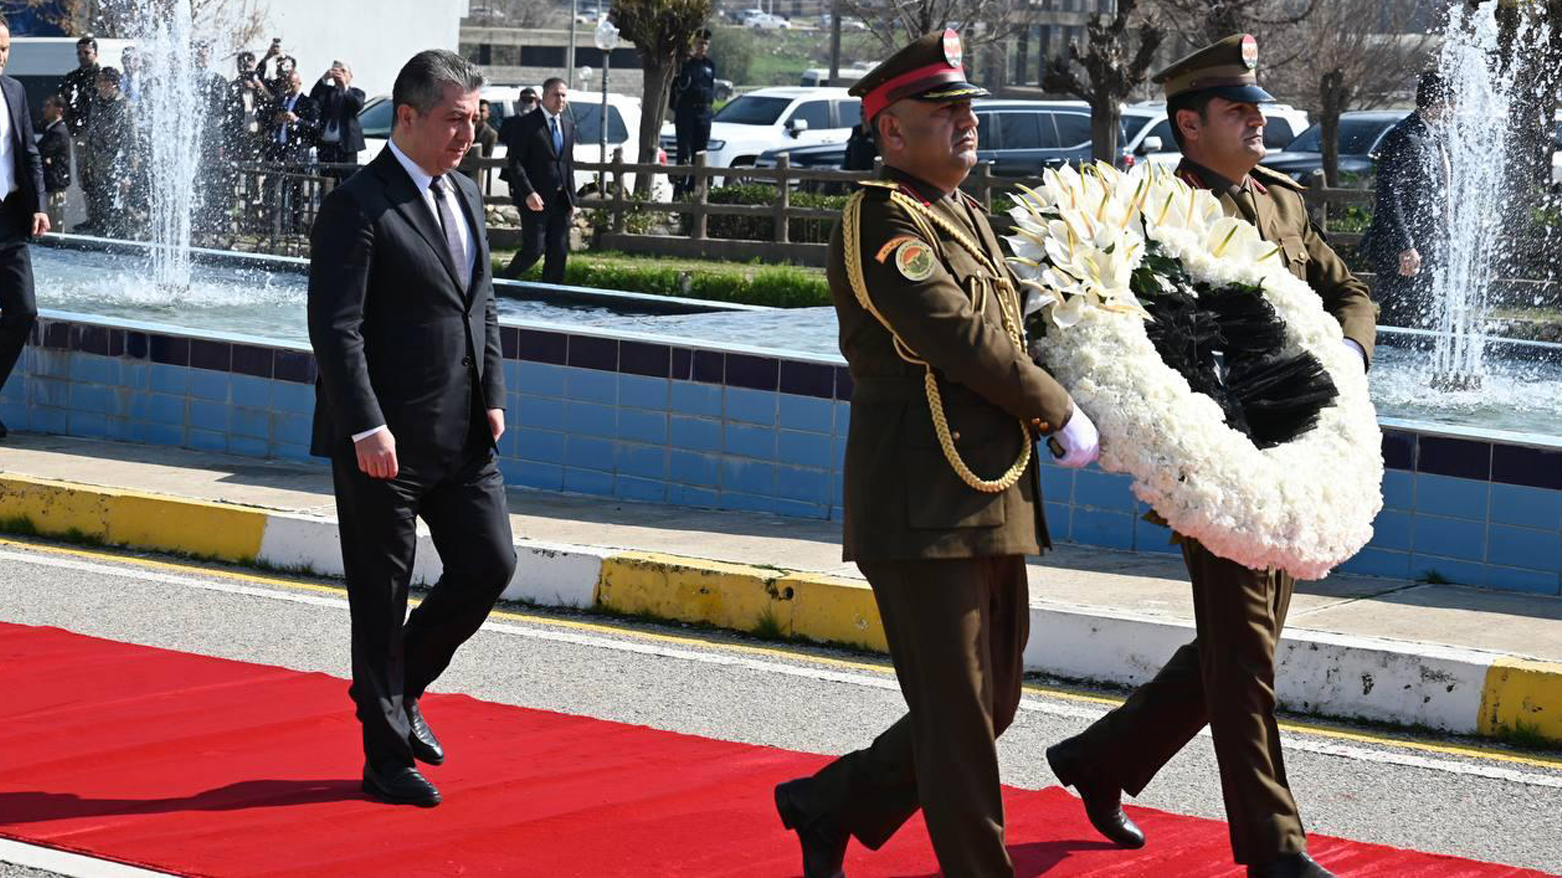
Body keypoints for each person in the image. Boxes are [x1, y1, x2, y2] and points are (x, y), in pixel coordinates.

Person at [1043, 34, 1376, 878]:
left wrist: (1348, 360)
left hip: (1299, 460)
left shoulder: (1281, 200)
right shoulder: (1156, 212)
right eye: (1238, 110)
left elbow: (1349, 291)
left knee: (1235, 647)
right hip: (1218, 465)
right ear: (1189, 125)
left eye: (1258, 107)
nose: (1258, 122)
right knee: (1245, 656)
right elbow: (1141, 335)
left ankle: (1100, 760)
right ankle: (1275, 850)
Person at [772, 30, 1099, 878]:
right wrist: (1055, 406)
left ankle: (828, 804)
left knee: (992, 703)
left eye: (968, 109)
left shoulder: (972, 217)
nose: (966, 122)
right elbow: (951, 335)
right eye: (942, 111)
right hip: (921, 499)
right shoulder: (883, 219)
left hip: (992, 491)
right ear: (891, 132)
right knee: (957, 715)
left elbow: (1021, 331)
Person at [307, 48, 514, 808]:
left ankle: (396, 689)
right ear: (407, 117)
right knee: (380, 594)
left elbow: (482, 304)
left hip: (463, 435)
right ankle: (386, 758)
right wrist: (364, 424)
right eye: (455, 120)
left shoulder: (462, 191)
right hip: (382, 444)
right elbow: (336, 329)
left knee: (489, 565)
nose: (469, 135)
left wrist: (492, 391)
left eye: (475, 120)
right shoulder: (359, 205)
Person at [1362, 71, 1451, 328]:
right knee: (1401, 319)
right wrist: (1405, 245)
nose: (1454, 112)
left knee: (1426, 316)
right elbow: (1389, 195)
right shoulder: (1404, 136)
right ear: (1437, 103)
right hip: (1404, 247)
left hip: (1430, 242)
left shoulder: (1434, 136)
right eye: (1451, 104)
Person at [0, 15, 51, 441]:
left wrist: (40, 206)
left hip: (9, 219)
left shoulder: (13, 91)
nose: (1, 58)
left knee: (24, 310)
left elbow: (29, 152)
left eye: (4, 49)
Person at [499, 77, 574, 282]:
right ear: (544, 97)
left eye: (563, 95)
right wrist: (528, 193)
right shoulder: (526, 123)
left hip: (561, 199)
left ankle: (551, 297)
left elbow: (568, 164)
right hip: (535, 198)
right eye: (556, 95)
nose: (560, 99)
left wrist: (572, 199)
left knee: (559, 252)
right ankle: (499, 284)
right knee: (534, 250)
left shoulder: (568, 125)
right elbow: (515, 162)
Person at [84, 66, 132, 239]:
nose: (97, 84)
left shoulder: (123, 105)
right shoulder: (96, 102)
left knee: (118, 208)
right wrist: (88, 162)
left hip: (117, 167)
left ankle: (120, 239)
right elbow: (91, 134)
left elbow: (131, 141)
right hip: (98, 165)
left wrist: (127, 173)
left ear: (111, 83)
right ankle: (102, 236)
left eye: (100, 80)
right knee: (99, 205)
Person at [669, 28, 716, 198]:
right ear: (693, 43)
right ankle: (679, 194)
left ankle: (694, 192)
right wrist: (679, 108)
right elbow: (674, 89)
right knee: (684, 153)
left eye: (705, 43)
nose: (702, 46)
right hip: (686, 112)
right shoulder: (684, 64)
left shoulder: (710, 65)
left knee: (700, 153)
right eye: (699, 43)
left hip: (704, 112)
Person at [59, 36, 98, 232]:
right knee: (84, 177)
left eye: (86, 53)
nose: (82, 57)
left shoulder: (102, 76)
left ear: (95, 54)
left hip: (99, 137)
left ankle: (103, 218)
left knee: (100, 177)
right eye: (79, 53)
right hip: (80, 134)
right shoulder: (72, 77)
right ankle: (92, 217)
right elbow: (63, 105)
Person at [310, 60, 366, 176]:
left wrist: (344, 86)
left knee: (347, 179)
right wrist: (325, 78)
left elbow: (357, 105)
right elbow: (314, 97)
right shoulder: (328, 92)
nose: (339, 74)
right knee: (326, 179)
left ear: (350, 76)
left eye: (343, 71)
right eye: (337, 71)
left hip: (346, 145)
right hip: (326, 145)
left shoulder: (356, 92)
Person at [38, 95, 70, 232]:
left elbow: (42, 151)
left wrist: (46, 158)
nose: (44, 110)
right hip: (51, 184)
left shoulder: (58, 131)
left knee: (54, 226)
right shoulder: (51, 129)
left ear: (58, 110)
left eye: (48, 106)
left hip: (55, 185)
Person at [457, 97, 499, 185]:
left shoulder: (491, 134)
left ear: (488, 114)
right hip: (456, 173)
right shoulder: (461, 128)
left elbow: (487, 159)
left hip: (475, 177)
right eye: (476, 110)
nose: (479, 113)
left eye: (482, 110)